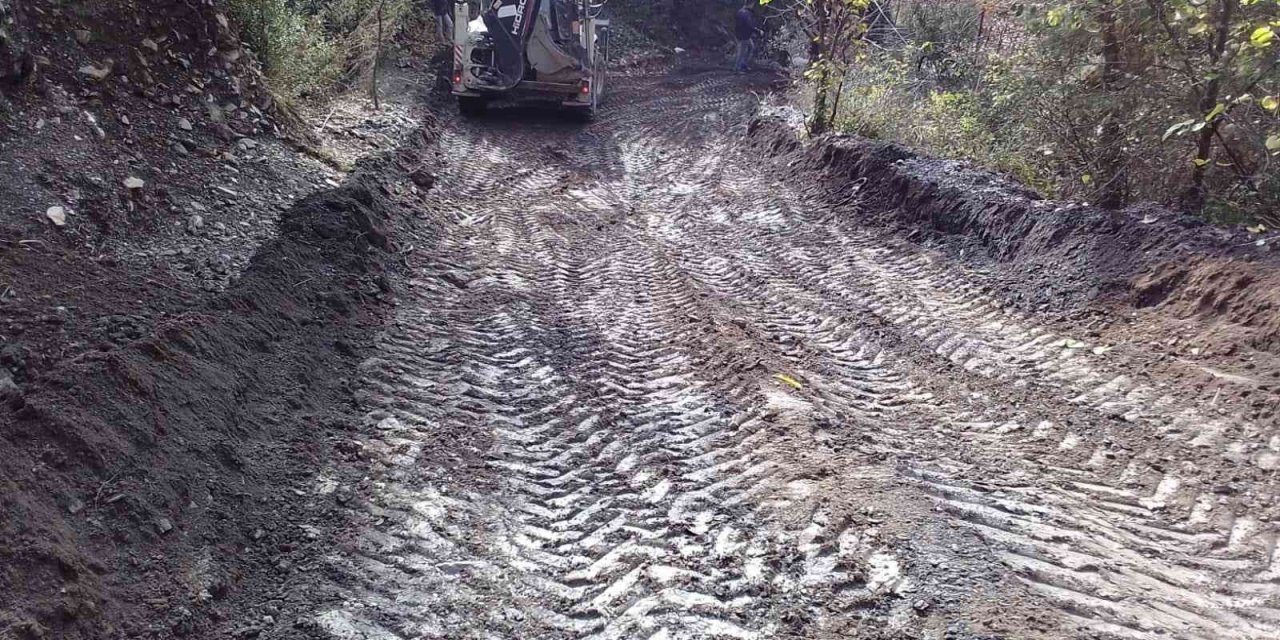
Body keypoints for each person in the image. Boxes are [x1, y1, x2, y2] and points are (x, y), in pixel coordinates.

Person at [733, 0, 761, 73]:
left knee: (751, 47)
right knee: (741, 52)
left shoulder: (740, 11)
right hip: (743, 36)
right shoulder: (746, 13)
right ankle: (737, 68)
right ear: (751, 4)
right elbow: (749, 25)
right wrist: (758, 31)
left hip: (742, 34)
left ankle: (743, 64)